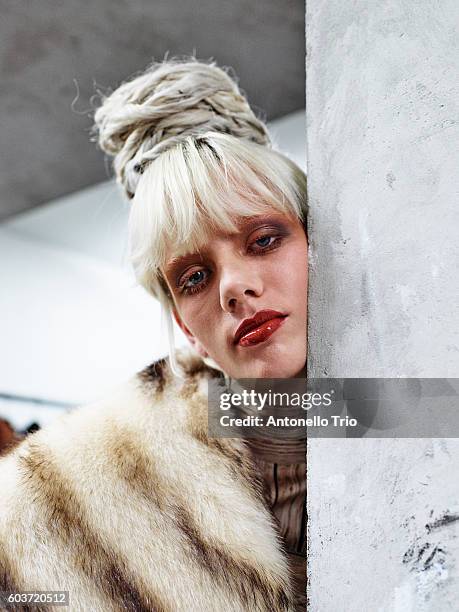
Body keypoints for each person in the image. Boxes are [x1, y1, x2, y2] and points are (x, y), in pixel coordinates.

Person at [0, 59, 307, 611]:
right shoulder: (61, 502)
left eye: (263, 240)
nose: (234, 288)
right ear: (186, 325)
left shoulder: (415, 405)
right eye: (194, 277)